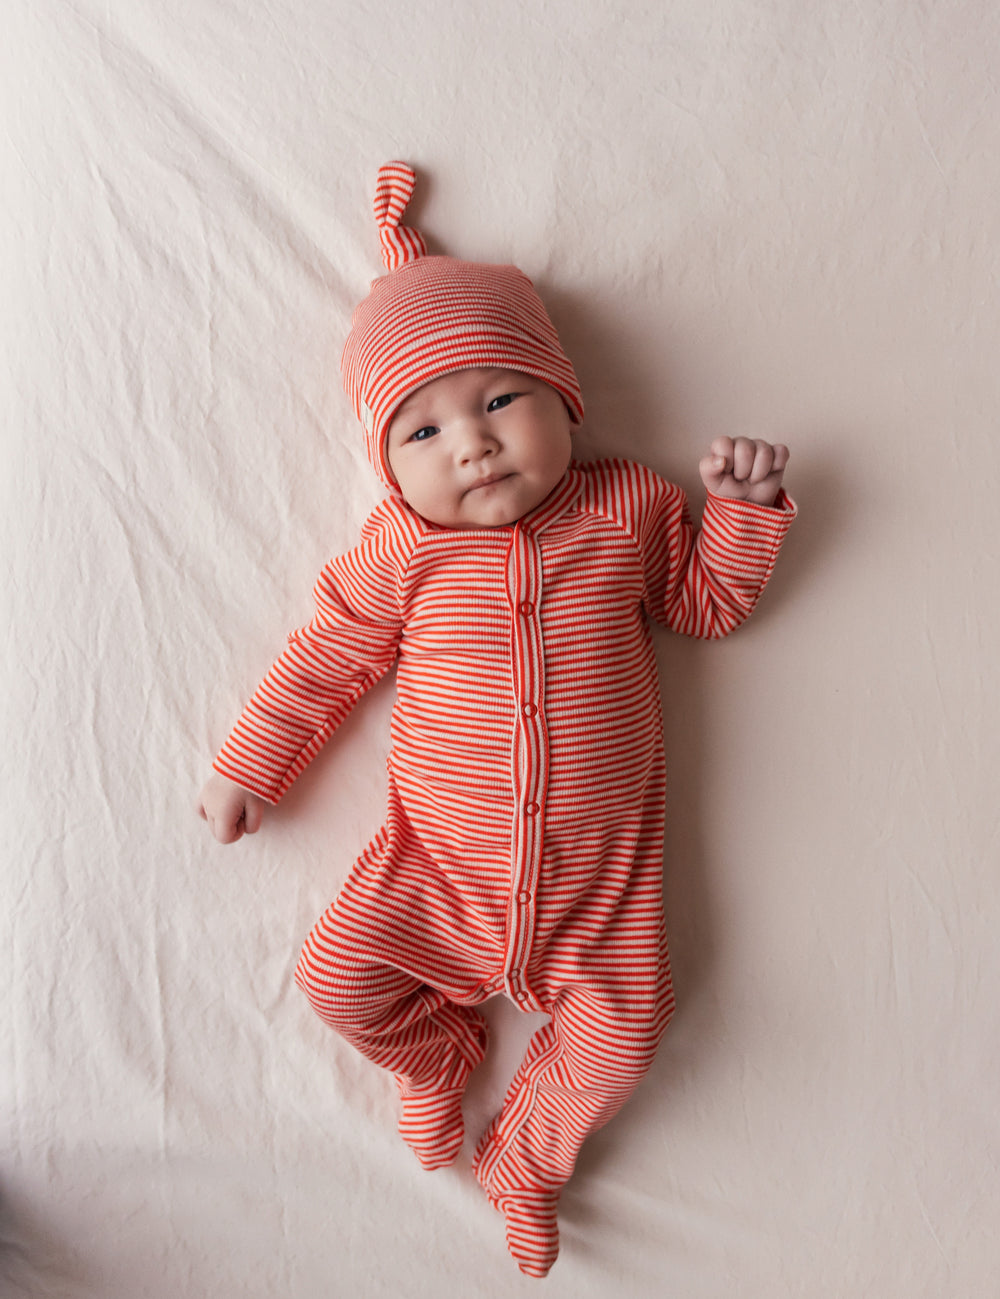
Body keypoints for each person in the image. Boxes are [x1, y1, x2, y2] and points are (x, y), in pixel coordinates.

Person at [198, 162, 796, 1278]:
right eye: (422, 431)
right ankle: (434, 1058)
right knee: (337, 979)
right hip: (436, 870)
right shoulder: (403, 549)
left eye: (501, 400)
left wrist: (739, 511)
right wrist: (252, 765)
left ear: (566, 398)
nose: (471, 442)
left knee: (628, 1029)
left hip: (600, 887)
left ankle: (526, 1160)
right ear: (387, 466)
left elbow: (704, 605)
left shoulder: (627, 507)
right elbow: (327, 653)